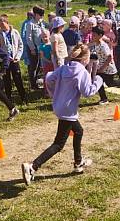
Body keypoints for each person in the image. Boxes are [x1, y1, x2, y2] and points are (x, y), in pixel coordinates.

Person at [21, 44, 102, 185]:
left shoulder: (64, 68)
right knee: (58, 144)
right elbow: (88, 92)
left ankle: (78, 162)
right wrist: (98, 80)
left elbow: (48, 78)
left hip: (59, 106)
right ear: (85, 59)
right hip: (68, 110)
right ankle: (33, 166)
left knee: (78, 131)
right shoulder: (81, 72)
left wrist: (54, 93)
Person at [90, 26, 120, 103]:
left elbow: (109, 57)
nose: (92, 36)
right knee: (98, 81)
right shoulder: (96, 43)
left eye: (94, 35)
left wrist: (102, 68)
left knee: (110, 83)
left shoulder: (103, 45)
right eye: (92, 34)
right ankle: (104, 99)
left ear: (100, 35)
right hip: (100, 67)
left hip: (108, 68)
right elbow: (89, 44)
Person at [0, 14, 27, 104]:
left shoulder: (15, 32)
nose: (1, 26)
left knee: (18, 79)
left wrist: (18, 56)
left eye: (2, 24)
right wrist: (4, 56)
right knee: (7, 80)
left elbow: (20, 45)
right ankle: (8, 99)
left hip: (14, 60)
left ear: (7, 22)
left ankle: (23, 97)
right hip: (5, 61)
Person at [25, 6, 46, 89]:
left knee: (39, 65)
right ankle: (33, 84)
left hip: (40, 47)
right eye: (41, 15)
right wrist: (32, 49)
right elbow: (29, 38)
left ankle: (36, 81)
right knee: (34, 66)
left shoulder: (41, 22)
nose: (42, 16)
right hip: (33, 49)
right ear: (36, 14)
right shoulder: (30, 24)